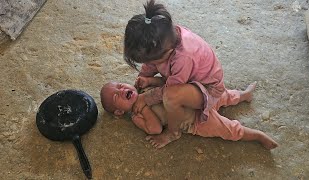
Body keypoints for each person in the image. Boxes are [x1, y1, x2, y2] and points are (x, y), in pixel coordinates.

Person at [124, 0, 229, 138]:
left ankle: (173, 133)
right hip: (191, 78)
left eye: (150, 61)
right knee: (161, 77)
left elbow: (172, 89)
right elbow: (151, 64)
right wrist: (144, 76)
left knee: (171, 97)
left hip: (209, 88)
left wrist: (147, 97)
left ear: (168, 53)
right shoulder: (163, 36)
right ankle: (234, 96)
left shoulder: (183, 57)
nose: (148, 64)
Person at [100, 80, 278, 150]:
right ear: (119, 112)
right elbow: (154, 129)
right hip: (195, 121)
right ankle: (257, 136)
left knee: (222, 95)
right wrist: (145, 108)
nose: (122, 90)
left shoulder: (143, 88)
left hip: (196, 101)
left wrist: (150, 80)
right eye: (117, 95)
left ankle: (243, 95)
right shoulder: (136, 116)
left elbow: (166, 81)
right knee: (228, 129)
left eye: (121, 85)